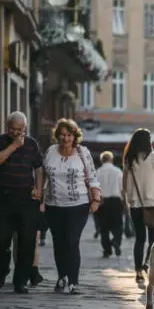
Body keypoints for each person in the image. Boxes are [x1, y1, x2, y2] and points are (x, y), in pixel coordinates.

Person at [42, 118, 101, 294]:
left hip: (78, 205)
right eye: (62, 135)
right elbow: (43, 175)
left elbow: (92, 176)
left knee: (71, 241)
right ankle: (62, 277)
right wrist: (39, 195)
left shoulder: (83, 152)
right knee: (59, 243)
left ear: (75, 136)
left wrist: (96, 199)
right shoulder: (51, 151)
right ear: (57, 136)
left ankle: (73, 281)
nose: (66, 139)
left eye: (69, 135)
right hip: (54, 204)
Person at [0, 111, 43, 294]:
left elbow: (39, 167)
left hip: (25, 198)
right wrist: (14, 146)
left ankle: (21, 280)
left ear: (25, 128)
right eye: (13, 129)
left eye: (20, 130)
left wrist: (39, 189)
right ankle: (1, 271)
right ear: (6, 126)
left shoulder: (32, 144)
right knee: (0, 239)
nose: (16, 133)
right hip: (2, 196)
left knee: (27, 241)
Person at [122, 128, 154, 283]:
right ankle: (148, 263)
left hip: (135, 204)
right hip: (152, 203)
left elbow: (125, 186)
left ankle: (138, 270)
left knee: (139, 238)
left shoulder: (129, 160)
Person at [95, 151, 124, 257]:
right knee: (118, 225)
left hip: (102, 201)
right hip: (116, 201)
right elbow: (122, 188)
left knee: (104, 228)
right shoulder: (118, 171)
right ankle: (116, 241)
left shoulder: (98, 172)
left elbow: (95, 188)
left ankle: (107, 250)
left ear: (102, 160)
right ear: (111, 160)